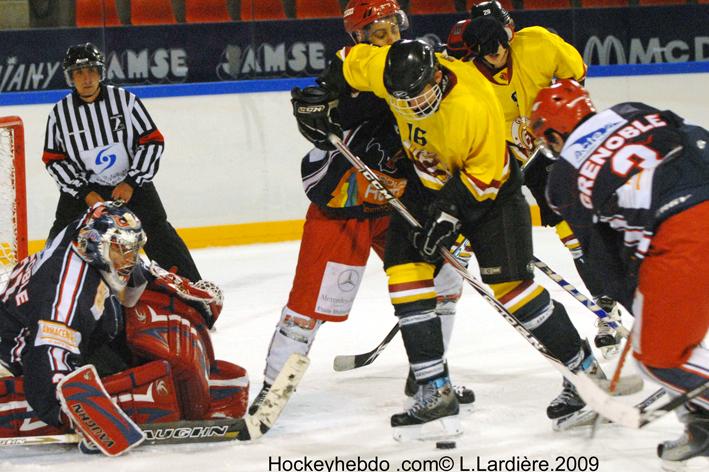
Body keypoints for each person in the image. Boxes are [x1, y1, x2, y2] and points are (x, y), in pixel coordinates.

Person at [294, 35, 606, 436]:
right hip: (427, 185)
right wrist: (321, 97)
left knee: (514, 291)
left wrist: (447, 217)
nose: (412, 108)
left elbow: (485, 178)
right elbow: (345, 60)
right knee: (405, 277)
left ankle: (585, 372)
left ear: (438, 77)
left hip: (491, 196)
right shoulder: (382, 67)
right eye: (403, 99)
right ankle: (434, 389)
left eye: (420, 96)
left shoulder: (472, 106)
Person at [249, 0, 474, 418]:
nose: (388, 35)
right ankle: (273, 391)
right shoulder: (348, 67)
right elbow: (324, 113)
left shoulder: (421, 60)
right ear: (359, 37)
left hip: (404, 202)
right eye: (377, 31)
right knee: (309, 307)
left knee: (445, 282)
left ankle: (430, 378)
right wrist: (314, 115)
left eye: (393, 25)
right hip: (346, 204)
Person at [530, 79, 709, 467]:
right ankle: (700, 425)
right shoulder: (631, 109)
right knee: (683, 339)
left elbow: (603, 254)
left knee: (659, 356)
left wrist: (634, 302)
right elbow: (694, 135)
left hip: (685, 231)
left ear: (555, 134)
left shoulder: (562, 178)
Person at [447, 0, 625, 359]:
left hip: (547, 152)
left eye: (501, 40)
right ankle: (435, 340)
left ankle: (607, 307)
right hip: (497, 159)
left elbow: (574, 87)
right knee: (459, 248)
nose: (496, 53)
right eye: (485, 47)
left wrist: (554, 131)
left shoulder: (539, 45)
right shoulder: (464, 75)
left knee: (575, 233)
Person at [0, 202, 247, 453]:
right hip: (22, 354)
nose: (129, 260)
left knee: (151, 326)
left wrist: (175, 286)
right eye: (122, 251)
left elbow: (102, 213)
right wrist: (72, 411)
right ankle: (13, 405)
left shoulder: (87, 237)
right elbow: (48, 353)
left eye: (132, 250)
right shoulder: (67, 293)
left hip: (67, 326)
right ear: (96, 244)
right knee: (147, 385)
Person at [42, 42, 201, 282]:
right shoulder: (59, 114)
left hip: (130, 184)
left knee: (159, 235)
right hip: (85, 191)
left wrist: (132, 181)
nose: (86, 78)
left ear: (100, 72)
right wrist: (85, 192)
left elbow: (152, 141)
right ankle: (44, 295)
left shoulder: (125, 100)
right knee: (60, 241)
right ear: (70, 77)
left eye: (91, 71)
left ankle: (195, 295)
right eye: (79, 73)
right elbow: (54, 160)